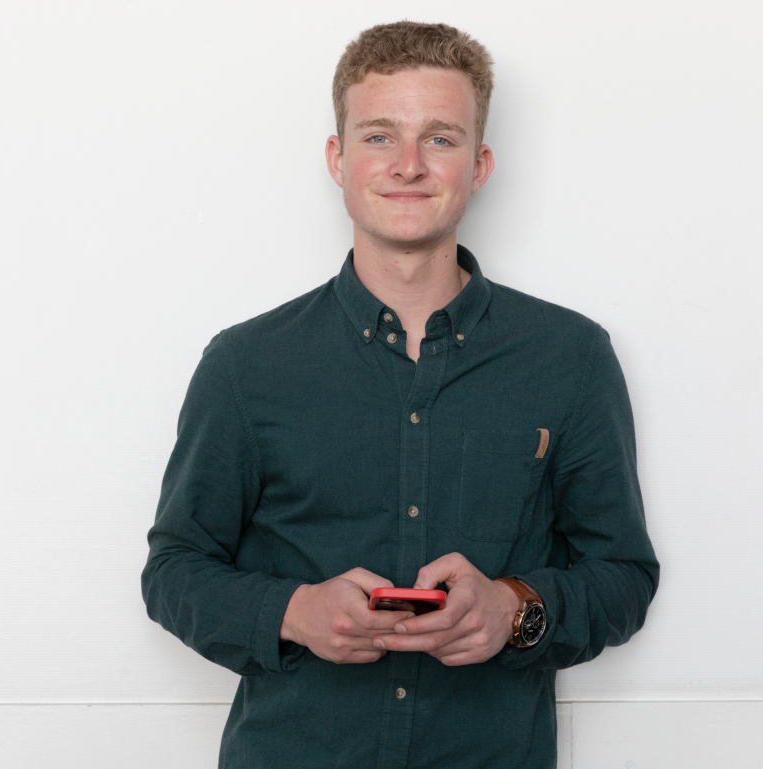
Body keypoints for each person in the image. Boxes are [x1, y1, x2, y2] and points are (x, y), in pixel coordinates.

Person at [141, 20, 658, 769]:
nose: (409, 165)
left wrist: (514, 609)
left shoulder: (569, 358)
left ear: (478, 165)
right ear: (338, 158)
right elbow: (175, 568)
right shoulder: (245, 364)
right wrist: (295, 611)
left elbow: (622, 577)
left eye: (440, 139)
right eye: (380, 136)